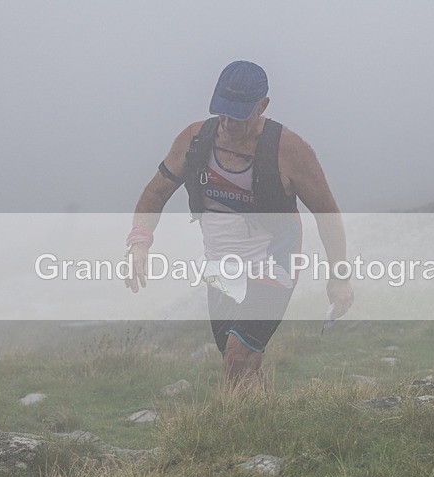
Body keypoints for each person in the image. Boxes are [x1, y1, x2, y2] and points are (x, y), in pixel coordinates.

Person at [125, 60, 353, 392]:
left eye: (240, 114)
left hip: (273, 267)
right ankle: (264, 426)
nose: (229, 123)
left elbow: (327, 215)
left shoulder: (289, 151)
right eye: (222, 112)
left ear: (262, 106)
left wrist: (339, 277)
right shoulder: (195, 140)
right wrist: (140, 243)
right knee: (240, 364)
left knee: (237, 356)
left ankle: (233, 436)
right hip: (220, 269)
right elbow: (154, 193)